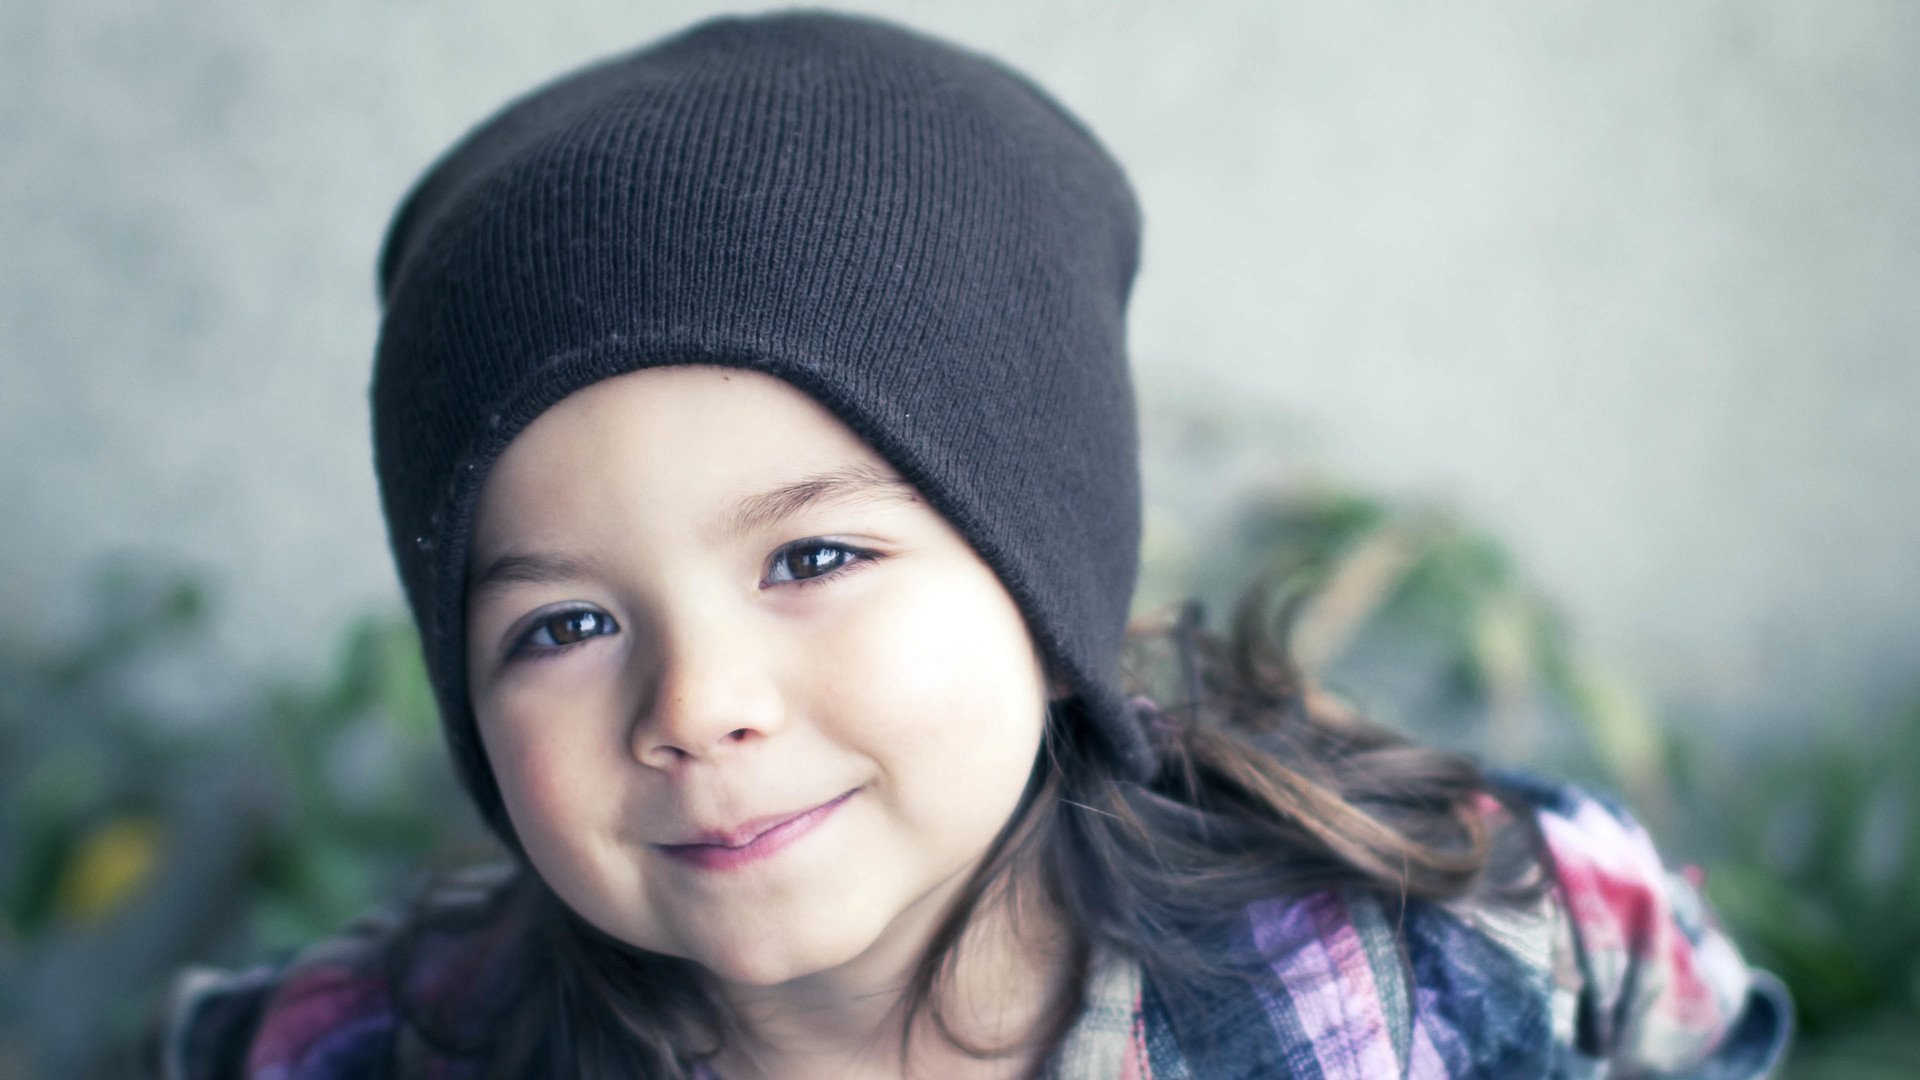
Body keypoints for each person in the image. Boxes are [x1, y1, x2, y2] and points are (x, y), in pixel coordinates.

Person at [153, 11, 1790, 1078]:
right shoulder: (352, 1053)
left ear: (1042, 577)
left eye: (810, 561)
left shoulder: (1445, 942)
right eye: (563, 626)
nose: (698, 702)